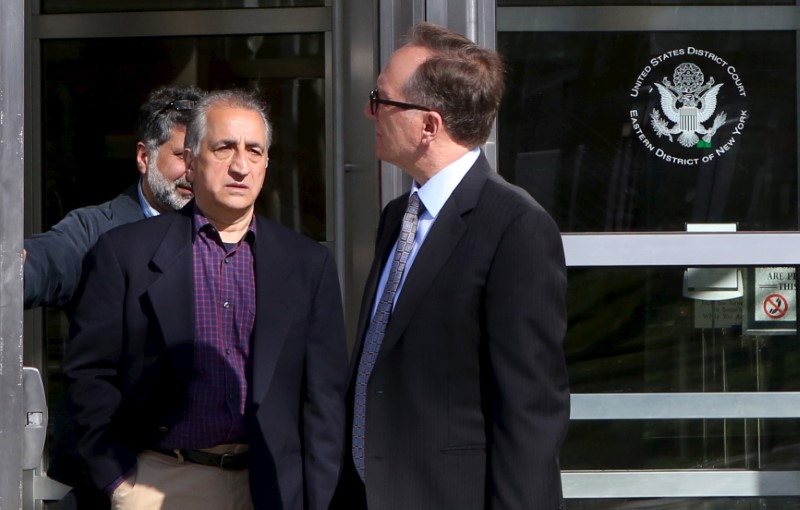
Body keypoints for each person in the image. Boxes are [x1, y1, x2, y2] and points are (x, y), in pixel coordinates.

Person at [53, 89, 347, 510]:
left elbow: (324, 399)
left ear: (267, 164)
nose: (240, 166)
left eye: (254, 151)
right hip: (159, 482)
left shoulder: (308, 264)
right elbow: (89, 376)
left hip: (272, 489)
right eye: (224, 148)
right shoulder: (125, 253)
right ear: (191, 162)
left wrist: (316, 499)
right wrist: (118, 482)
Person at [332, 22, 570, 510]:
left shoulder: (515, 226)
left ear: (428, 125)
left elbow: (529, 409)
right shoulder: (397, 217)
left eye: (381, 99)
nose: (368, 111)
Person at [23, 84, 204, 309]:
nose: (192, 171)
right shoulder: (95, 231)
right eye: (182, 156)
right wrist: (16, 267)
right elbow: (46, 262)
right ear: (144, 157)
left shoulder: (227, 231)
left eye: (202, 158)